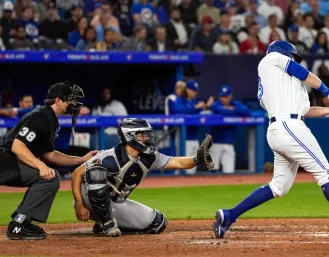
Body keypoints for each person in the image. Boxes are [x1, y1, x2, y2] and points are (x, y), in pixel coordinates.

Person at [213, 41, 329, 239]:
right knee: (325, 172)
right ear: (282, 53)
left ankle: (229, 215)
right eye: (291, 56)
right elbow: (303, 73)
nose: (292, 60)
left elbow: (306, 111)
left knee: (278, 187)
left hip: (282, 129)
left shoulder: (287, 84)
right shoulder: (270, 59)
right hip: (289, 128)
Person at [71, 118, 214, 236]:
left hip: (115, 203)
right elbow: (77, 173)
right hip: (88, 201)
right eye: (143, 134)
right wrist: (79, 203)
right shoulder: (108, 156)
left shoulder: (149, 158)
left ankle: (104, 221)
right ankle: (108, 224)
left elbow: (177, 162)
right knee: (96, 172)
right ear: (130, 136)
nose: (147, 138)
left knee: (158, 223)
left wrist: (197, 160)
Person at [0, 81, 97, 240]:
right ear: (58, 100)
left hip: (9, 161)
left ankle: (21, 221)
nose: (74, 103)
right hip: (6, 160)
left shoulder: (49, 118)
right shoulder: (41, 116)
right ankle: (19, 224)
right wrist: (41, 166)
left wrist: (80, 159)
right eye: (70, 99)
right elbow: (17, 146)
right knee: (48, 178)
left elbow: (49, 154)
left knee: (49, 177)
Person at [171, 80, 213, 174]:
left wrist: (205, 107)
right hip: (183, 138)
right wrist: (196, 107)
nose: (195, 93)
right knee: (182, 167)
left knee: (192, 168)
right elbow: (178, 112)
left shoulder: (194, 101)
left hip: (194, 137)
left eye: (196, 91)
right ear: (187, 90)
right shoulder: (180, 100)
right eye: (193, 90)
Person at [210, 85, 251, 173]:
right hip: (216, 143)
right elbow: (220, 110)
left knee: (229, 172)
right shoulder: (216, 104)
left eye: (226, 96)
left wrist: (233, 109)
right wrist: (233, 111)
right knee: (213, 171)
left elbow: (247, 111)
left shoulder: (234, 103)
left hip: (229, 144)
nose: (223, 98)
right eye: (222, 96)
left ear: (230, 96)